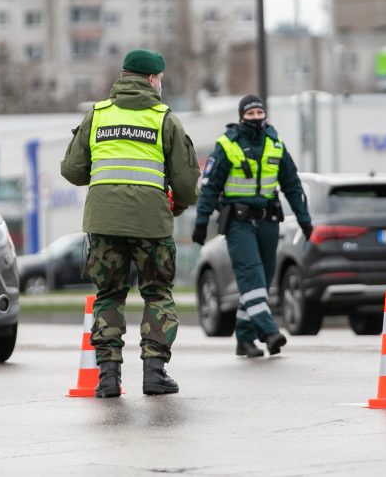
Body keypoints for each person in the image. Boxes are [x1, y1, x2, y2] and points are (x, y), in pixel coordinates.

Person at [61, 49, 200, 398]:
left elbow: (73, 170)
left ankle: (108, 378)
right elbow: (185, 183)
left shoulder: (97, 115)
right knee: (157, 293)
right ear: (152, 79)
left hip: (103, 223)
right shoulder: (164, 118)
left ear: (123, 77)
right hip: (150, 223)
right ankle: (155, 372)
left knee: (109, 294)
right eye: (161, 80)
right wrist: (177, 207)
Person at [191, 95, 312, 358]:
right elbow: (210, 186)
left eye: (260, 112)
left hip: (268, 221)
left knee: (263, 281)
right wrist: (201, 221)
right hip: (238, 223)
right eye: (251, 113)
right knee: (252, 276)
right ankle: (269, 332)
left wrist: (304, 219)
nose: (256, 117)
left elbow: (292, 185)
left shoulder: (275, 144)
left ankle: (244, 340)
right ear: (241, 116)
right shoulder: (226, 145)